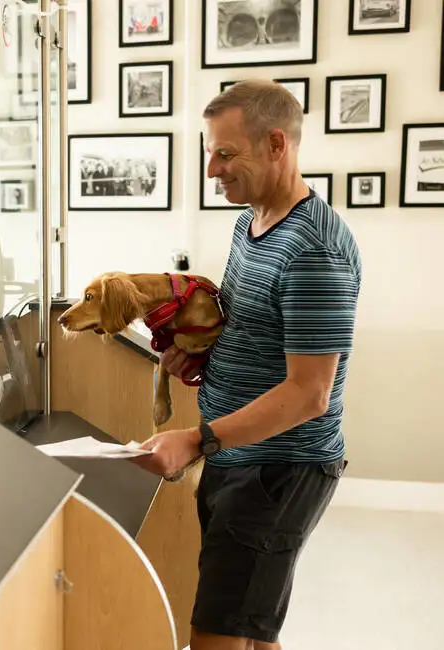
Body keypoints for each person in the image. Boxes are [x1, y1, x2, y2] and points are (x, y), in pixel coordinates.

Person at [133, 80, 362, 649]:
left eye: (226, 154)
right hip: (238, 454)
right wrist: (197, 353)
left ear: (276, 144)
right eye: (210, 152)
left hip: (279, 468)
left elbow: (309, 393)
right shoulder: (252, 222)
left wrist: (197, 439)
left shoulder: (314, 250)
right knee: (251, 630)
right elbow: (251, 330)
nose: (212, 169)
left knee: (216, 633)